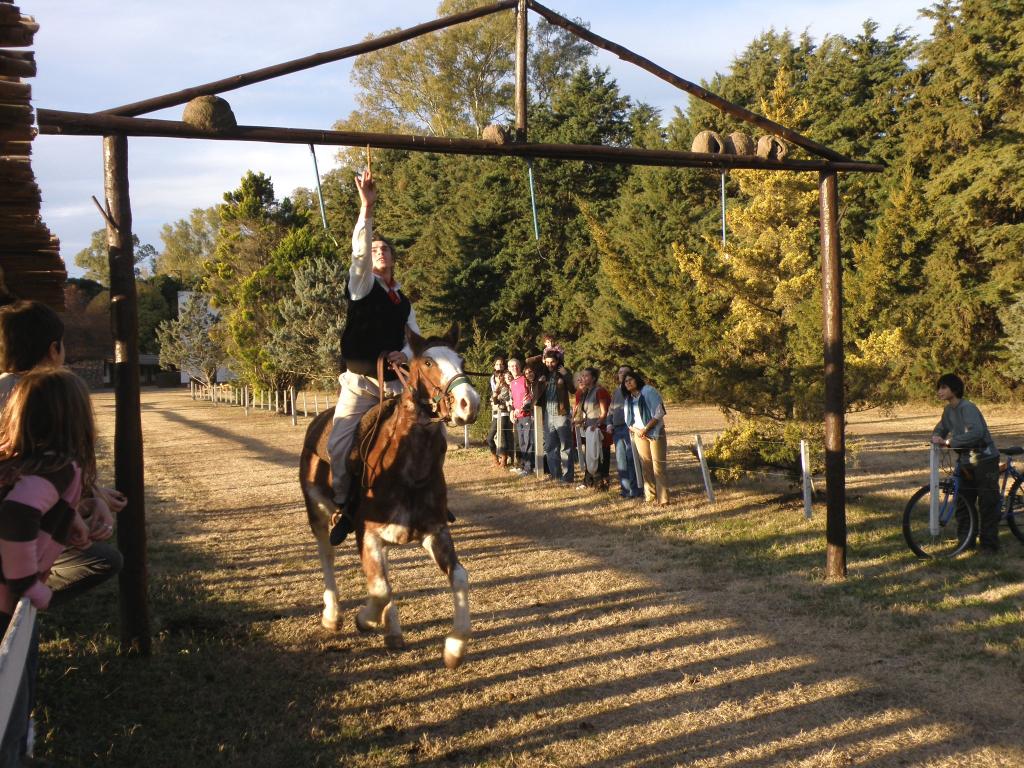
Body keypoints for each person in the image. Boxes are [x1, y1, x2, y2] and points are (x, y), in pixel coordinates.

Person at [0, 300, 124, 605]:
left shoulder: (12, 388)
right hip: (14, 550)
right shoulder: (41, 395)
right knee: (103, 560)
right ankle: (26, 595)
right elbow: (25, 498)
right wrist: (27, 585)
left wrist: (89, 497)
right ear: (54, 349)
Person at [0, 368, 94, 766]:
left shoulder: (20, 464)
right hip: (7, 599)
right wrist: (27, 584)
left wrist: (65, 521)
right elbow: (16, 515)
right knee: (9, 690)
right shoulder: (58, 468)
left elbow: (29, 507)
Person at [327, 169, 423, 545]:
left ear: (394, 259)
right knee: (338, 445)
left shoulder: (404, 301)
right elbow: (358, 253)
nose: (379, 251)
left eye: (385, 249)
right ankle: (342, 505)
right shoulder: (362, 283)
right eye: (375, 249)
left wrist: (406, 352)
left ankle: (425, 496)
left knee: (427, 433)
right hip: (360, 385)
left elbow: (415, 341)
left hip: (396, 384)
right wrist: (366, 209)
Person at [931, 373, 1001, 553]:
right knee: (963, 502)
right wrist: (936, 436)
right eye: (939, 388)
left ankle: (989, 545)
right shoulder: (948, 410)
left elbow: (976, 433)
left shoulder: (967, 407)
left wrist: (951, 442)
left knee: (987, 502)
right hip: (965, 459)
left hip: (984, 458)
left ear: (954, 389)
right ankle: (966, 541)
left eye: (944, 387)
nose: (939, 391)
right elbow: (941, 428)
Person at [528, 349, 576, 483]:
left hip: (561, 415)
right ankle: (556, 476)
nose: (550, 364)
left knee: (565, 447)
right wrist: (543, 355)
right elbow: (528, 361)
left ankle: (568, 477)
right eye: (547, 362)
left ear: (558, 361)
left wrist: (566, 375)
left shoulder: (564, 372)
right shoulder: (543, 374)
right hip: (547, 415)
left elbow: (573, 389)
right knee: (550, 447)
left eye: (552, 362)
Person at [623, 370, 669, 505]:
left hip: (655, 432)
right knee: (646, 466)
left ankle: (663, 500)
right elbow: (627, 421)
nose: (628, 383)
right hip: (639, 434)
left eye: (630, 380)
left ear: (637, 380)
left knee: (658, 466)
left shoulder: (649, 391)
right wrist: (637, 431)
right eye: (626, 382)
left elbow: (659, 412)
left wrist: (646, 429)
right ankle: (650, 497)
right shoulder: (628, 399)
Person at [607, 364, 642, 498]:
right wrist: (609, 423)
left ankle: (635, 490)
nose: (621, 374)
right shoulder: (616, 391)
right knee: (621, 460)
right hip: (617, 429)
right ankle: (625, 490)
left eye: (624, 372)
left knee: (631, 459)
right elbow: (611, 409)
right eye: (619, 372)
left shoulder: (634, 390)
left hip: (629, 428)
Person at [573, 367, 610, 490]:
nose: (583, 378)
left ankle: (602, 484)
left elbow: (604, 412)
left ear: (593, 378)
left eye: (586, 376)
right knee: (591, 457)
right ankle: (591, 482)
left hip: (599, 431)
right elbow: (588, 412)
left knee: (600, 457)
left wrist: (597, 424)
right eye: (582, 376)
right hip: (589, 429)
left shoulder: (600, 391)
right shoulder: (587, 392)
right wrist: (580, 421)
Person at [485, 356, 513, 467]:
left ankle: (504, 459)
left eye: (501, 364)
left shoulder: (507, 381)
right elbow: (492, 398)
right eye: (497, 364)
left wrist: (495, 396)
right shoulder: (492, 379)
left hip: (505, 412)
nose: (499, 366)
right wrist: (494, 396)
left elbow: (497, 399)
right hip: (496, 412)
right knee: (490, 438)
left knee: (503, 436)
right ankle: (495, 458)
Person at [508, 358, 534, 477]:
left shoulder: (525, 379)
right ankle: (523, 466)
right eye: (512, 366)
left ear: (520, 366)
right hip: (517, 417)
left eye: (516, 365)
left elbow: (530, 396)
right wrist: (512, 411)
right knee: (522, 442)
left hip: (527, 415)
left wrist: (522, 408)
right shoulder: (512, 383)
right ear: (509, 368)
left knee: (528, 442)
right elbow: (512, 400)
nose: (515, 368)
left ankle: (529, 467)